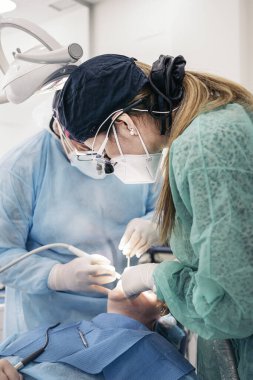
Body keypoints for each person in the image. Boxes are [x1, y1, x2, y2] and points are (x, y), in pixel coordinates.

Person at [54, 53, 253, 380]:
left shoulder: (204, 144)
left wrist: (156, 277)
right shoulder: (202, 130)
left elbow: (231, 306)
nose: (110, 163)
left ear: (124, 125)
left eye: (105, 153)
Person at [0, 86, 161, 338]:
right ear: (63, 131)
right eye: (85, 147)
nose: (102, 158)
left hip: (122, 318)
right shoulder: (21, 167)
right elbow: (3, 253)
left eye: (106, 147)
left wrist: (153, 223)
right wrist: (56, 275)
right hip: (46, 327)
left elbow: (164, 209)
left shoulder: (133, 151)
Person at [0, 286, 197, 380]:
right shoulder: (46, 332)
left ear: (160, 315)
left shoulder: (149, 348)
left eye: (150, 287)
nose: (134, 282)